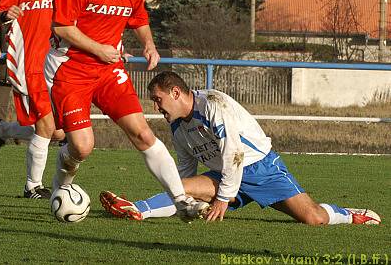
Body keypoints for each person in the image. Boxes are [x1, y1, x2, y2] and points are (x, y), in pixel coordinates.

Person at [44, 0, 209, 221]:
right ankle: (63, 185)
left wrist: (148, 43)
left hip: (109, 71)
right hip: (70, 70)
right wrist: (99, 49)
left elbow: (139, 18)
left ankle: (182, 202)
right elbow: (61, 28)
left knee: (143, 133)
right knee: (82, 147)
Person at [100, 71, 382, 225]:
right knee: (181, 186)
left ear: (175, 92)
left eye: (158, 99)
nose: (156, 106)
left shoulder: (212, 104)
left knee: (312, 218)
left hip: (260, 168)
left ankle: (350, 215)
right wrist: (187, 198)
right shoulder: (177, 126)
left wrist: (223, 198)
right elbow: (184, 170)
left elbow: (233, 152)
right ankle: (135, 209)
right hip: (223, 175)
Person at [0, 0, 65, 199]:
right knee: (46, 127)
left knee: (56, 132)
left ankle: (4, 130)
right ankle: (32, 186)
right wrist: (5, 14)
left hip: (54, 65)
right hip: (27, 64)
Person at [0, 25, 36, 158]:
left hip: (25, 73)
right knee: (0, 108)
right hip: (3, 72)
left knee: (27, 109)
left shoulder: (31, 17)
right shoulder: (3, 19)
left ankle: (20, 139)